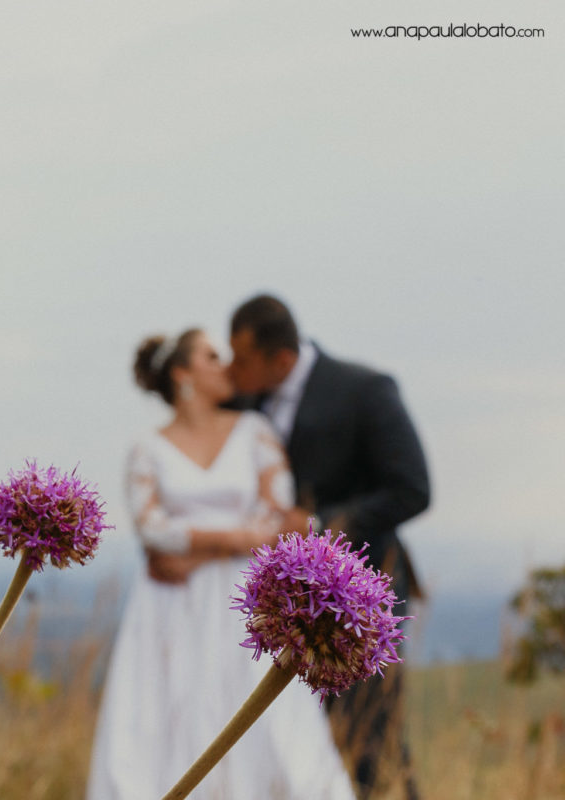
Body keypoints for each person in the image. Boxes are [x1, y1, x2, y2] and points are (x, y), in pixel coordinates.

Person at [86, 329, 355, 800]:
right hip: (170, 603)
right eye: (211, 356)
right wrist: (235, 537)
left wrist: (201, 550)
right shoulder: (146, 447)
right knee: (164, 712)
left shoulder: (255, 432)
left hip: (247, 593)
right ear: (182, 373)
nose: (224, 364)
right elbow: (150, 526)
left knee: (266, 720)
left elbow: (278, 514)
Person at [223, 293, 431, 800]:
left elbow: (412, 489)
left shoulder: (365, 389)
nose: (231, 369)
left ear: (282, 359)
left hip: (362, 588)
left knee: (369, 736)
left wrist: (319, 524)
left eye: (242, 358)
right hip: (279, 597)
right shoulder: (243, 403)